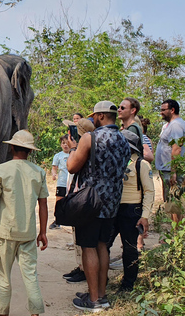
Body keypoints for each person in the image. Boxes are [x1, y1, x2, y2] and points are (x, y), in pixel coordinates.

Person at [66, 101, 130, 312]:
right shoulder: (124, 138)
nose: (92, 119)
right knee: (103, 245)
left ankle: (93, 300)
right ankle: (101, 295)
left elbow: (72, 167)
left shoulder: (90, 138)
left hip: (91, 201)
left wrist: (74, 149)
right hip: (113, 200)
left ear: (101, 116)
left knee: (88, 246)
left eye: (94, 116)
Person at [0, 130, 49, 316]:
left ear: (12, 147)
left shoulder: (0, 170)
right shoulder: (39, 172)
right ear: (30, 151)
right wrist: (43, 232)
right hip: (28, 233)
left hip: (5, 233)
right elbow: (43, 204)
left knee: (3, 276)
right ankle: (35, 313)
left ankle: (1, 312)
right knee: (30, 275)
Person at [107, 130, 155, 292]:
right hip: (113, 209)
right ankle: (102, 280)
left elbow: (149, 191)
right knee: (103, 244)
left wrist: (145, 216)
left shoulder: (141, 164)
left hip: (131, 210)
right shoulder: (115, 161)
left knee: (129, 248)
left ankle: (128, 285)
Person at [60, 118, 95, 284]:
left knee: (83, 240)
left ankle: (84, 270)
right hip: (78, 196)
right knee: (78, 239)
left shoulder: (82, 149)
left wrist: (74, 148)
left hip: (81, 198)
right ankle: (80, 267)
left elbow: (71, 167)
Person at [155, 99, 185, 223]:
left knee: (174, 200)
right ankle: (176, 231)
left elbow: (176, 149)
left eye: (164, 110)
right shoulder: (174, 124)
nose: (161, 113)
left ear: (172, 110)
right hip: (168, 170)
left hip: (171, 171)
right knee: (172, 200)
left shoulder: (176, 125)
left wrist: (173, 171)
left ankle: (177, 233)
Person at [49, 135, 70, 230]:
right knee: (59, 201)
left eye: (67, 143)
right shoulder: (58, 156)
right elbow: (54, 168)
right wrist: (54, 174)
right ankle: (57, 220)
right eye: (63, 143)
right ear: (61, 144)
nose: (65, 145)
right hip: (62, 182)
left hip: (72, 182)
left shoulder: (75, 154)